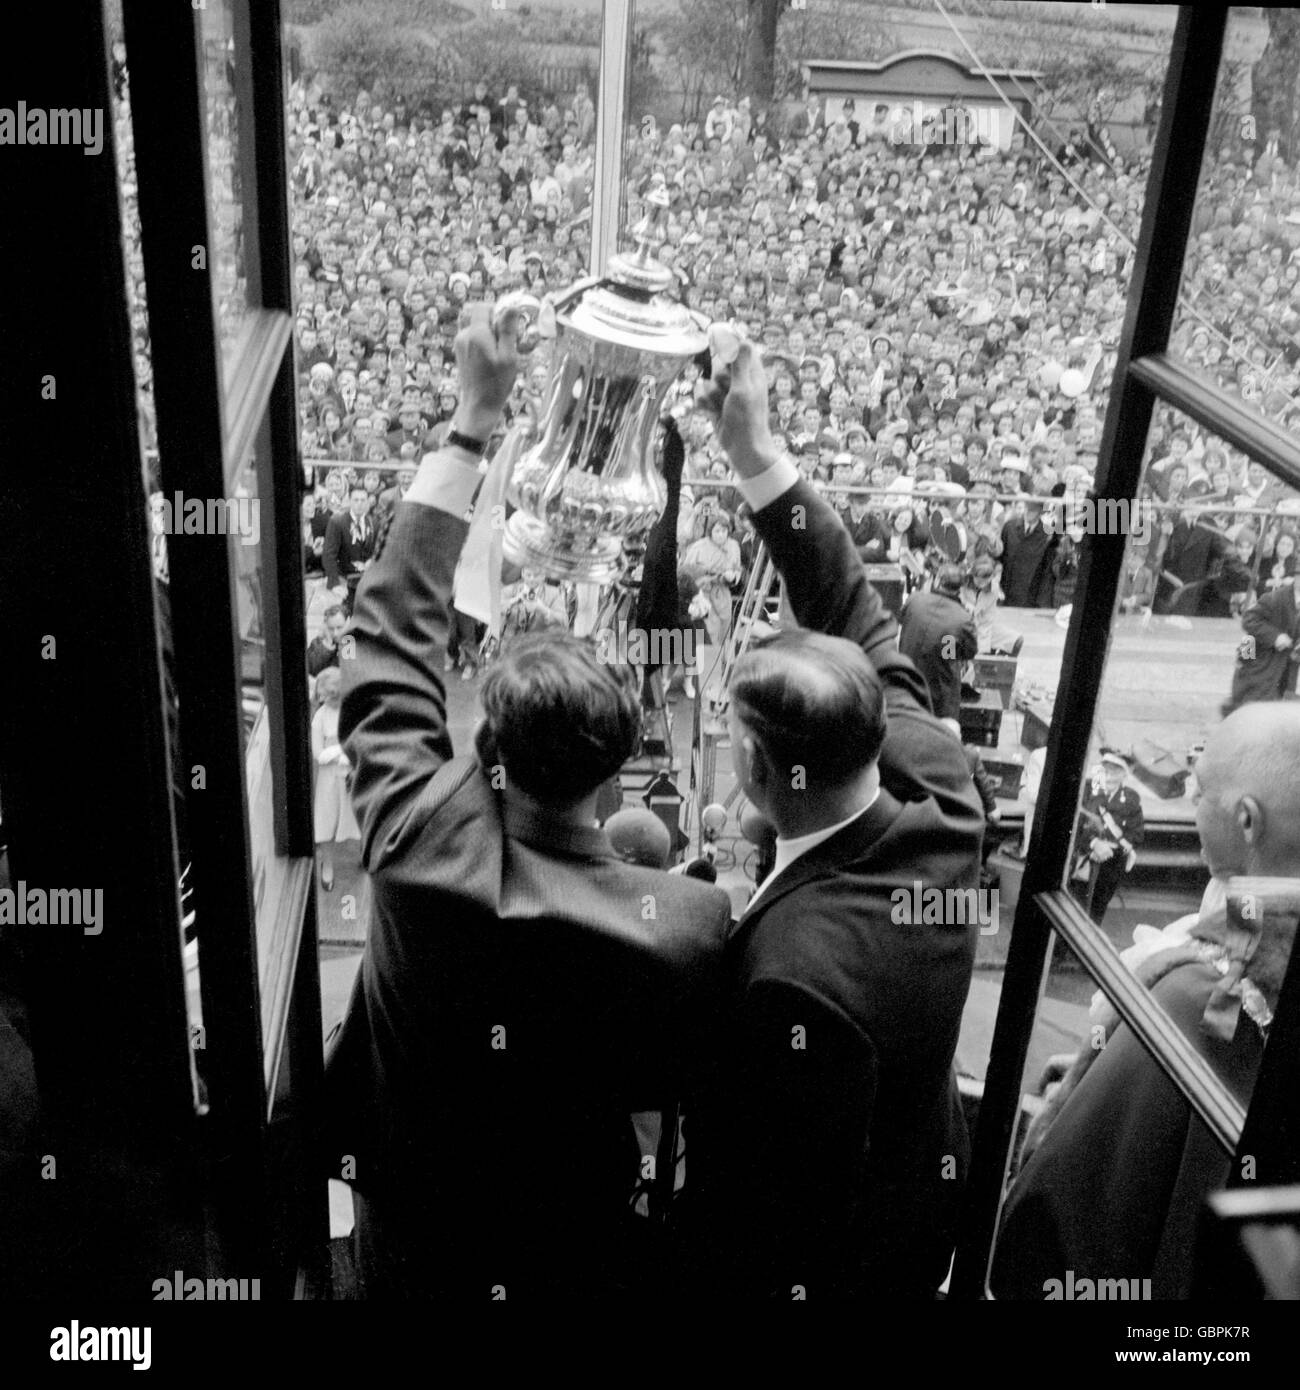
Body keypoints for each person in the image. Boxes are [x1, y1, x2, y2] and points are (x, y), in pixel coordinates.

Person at [324, 305, 733, 1299]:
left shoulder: (415, 841)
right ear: (615, 775)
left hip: (409, 1225)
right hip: (566, 1239)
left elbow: (386, 639)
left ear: (485, 745)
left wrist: (472, 422)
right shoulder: (685, 924)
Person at [687, 341, 986, 1299]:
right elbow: (855, 608)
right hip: (925, 1197)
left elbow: (765, 1212)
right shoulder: (942, 796)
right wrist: (756, 452)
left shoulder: (791, 980)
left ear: (760, 768)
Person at [993, 704, 1300, 1299]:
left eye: (1200, 788)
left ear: (1246, 821)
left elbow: (1054, 1231)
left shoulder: (1197, 1000)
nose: (1189, 799)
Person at [898, 563, 978, 731]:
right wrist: (946, 648)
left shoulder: (915, 600)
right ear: (960, 588)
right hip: (939, 697)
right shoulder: (962, 619)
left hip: (906, 682)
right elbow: (968, 652)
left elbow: (902, 620)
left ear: (937, 580)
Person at [1070, 748, 1145, 923]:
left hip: (1109, 866)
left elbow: (1136, 834)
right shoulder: (1086, 790)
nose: (1109, 776)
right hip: (1081, 861)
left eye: (1116, 771)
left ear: (1125, 775)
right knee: (1073, 911)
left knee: (1097, 912)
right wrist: (1093, 843)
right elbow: (1073, 822)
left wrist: (1111, 848)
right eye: (1106, 770)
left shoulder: (1131, 799)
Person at [1223, 568, 1300, 713]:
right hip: (1262, 663)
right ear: (1296, 578)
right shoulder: (1274, 598)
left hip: (1288, 671)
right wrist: (1275, 636)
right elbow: (1248, 621)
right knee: (1250, 708)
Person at [311, 665, 360, 893]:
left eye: (325, 694)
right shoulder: (320, 717)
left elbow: (361, 741)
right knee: (326, 822)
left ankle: (365, 855)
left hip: (352, 775)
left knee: (358, 818)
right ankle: (327, 865)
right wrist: (341, 752)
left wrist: (346, 753)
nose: (320, 698)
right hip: (329, 781)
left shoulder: (353, 710)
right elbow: (318, 754)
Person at [683, 512, 742, 648]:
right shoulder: (698, 547)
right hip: (704, 595)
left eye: (724, 531)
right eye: (717, 531)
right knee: (710, 633)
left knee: (725, 631)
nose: (721, 534)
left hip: (723, 594)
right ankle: (710, 666)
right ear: (710, 532)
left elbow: (737, 569)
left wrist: (733, 577)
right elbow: (686, 573)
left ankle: (726, 665)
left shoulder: (733, 546)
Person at [322, 483, 375, 614]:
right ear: (350, 501)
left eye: (363, 500)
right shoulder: (337, 522)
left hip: (366, 581)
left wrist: (372, 560)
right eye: (356, 500)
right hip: (345, 579)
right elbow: (329, 555)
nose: (359, 504)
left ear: (368, 502)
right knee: (346, 620)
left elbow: (378, 550)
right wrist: (335, 584)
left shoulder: (374, 522)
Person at [307, 603, 347, 678]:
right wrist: (325, 648)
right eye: (331, 628)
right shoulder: (319, 642)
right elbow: (308, 668)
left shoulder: (352, 643)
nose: (335, 633)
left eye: (339, 627)